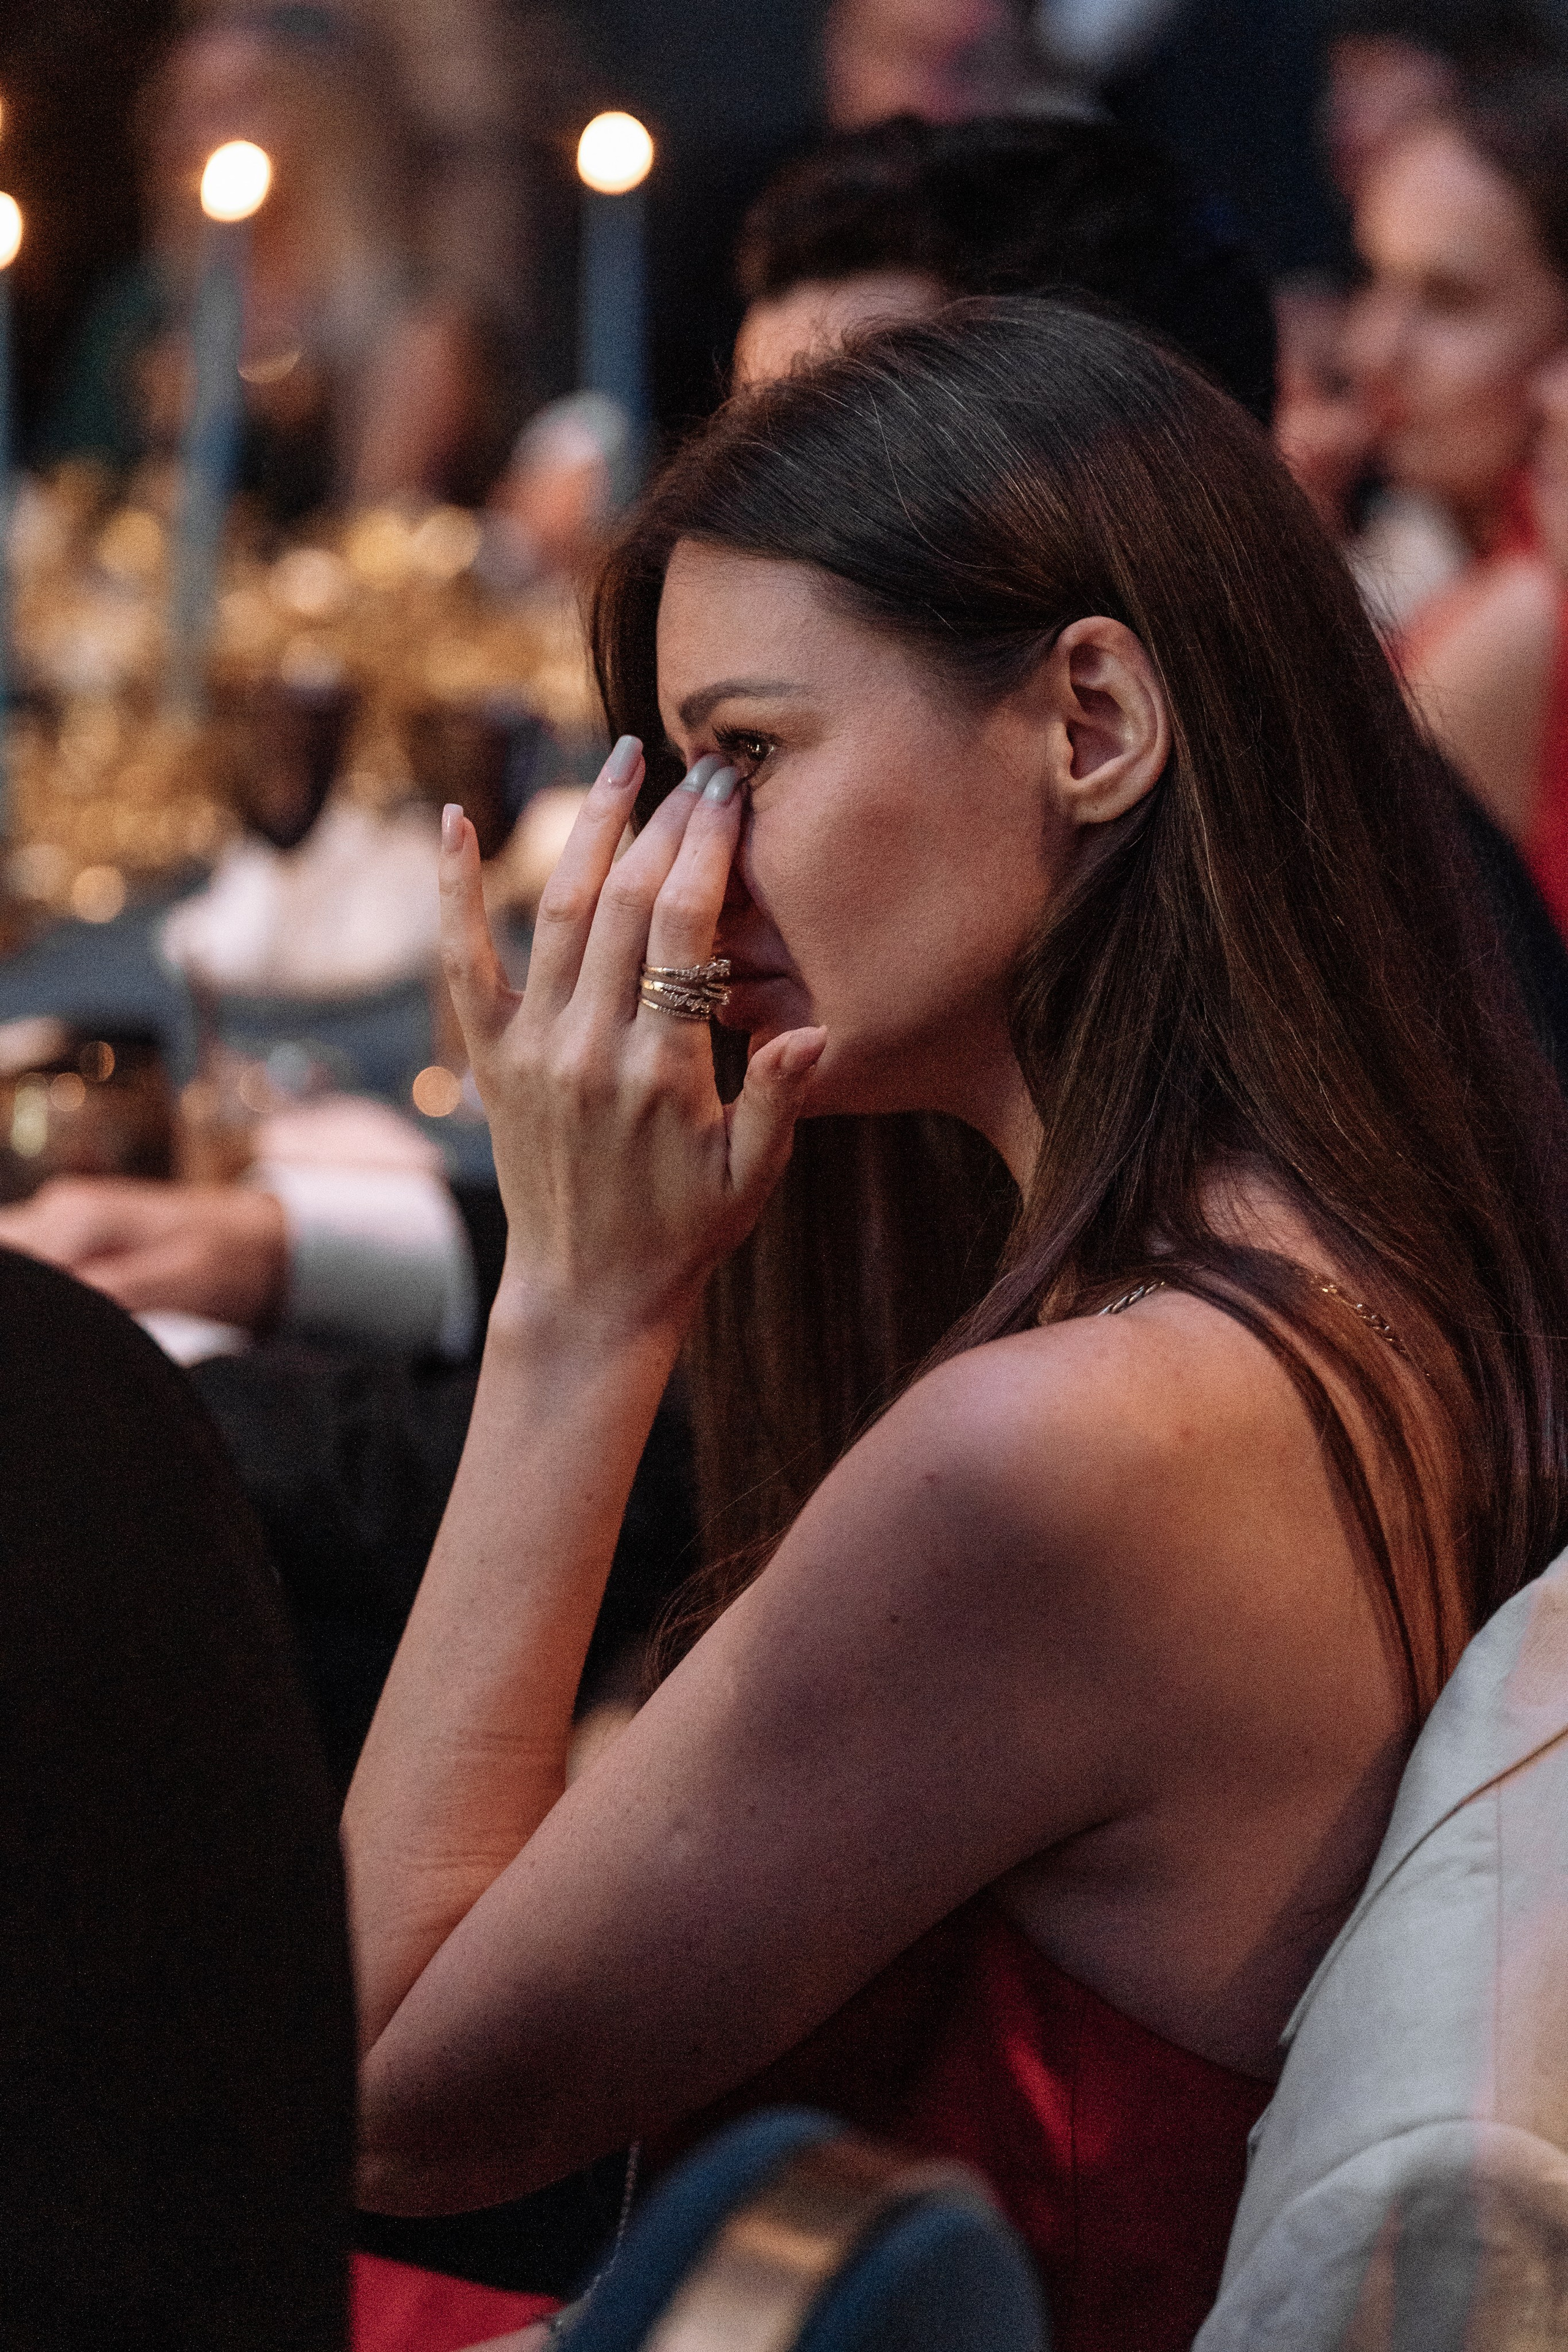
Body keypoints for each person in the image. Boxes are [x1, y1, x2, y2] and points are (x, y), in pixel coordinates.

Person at [342, 302, 1568, 2352]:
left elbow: (382, 2095)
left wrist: (576, 1309)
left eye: (747, 757)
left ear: (1093, 723)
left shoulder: (1071, 1452)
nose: (670, 873)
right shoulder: (1373, 1240)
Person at [1346, 72, 1568, 910]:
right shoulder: (1449, 558)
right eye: (1371, 278)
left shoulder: (1524, 617)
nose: (1375, 349)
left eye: (1450, 302)